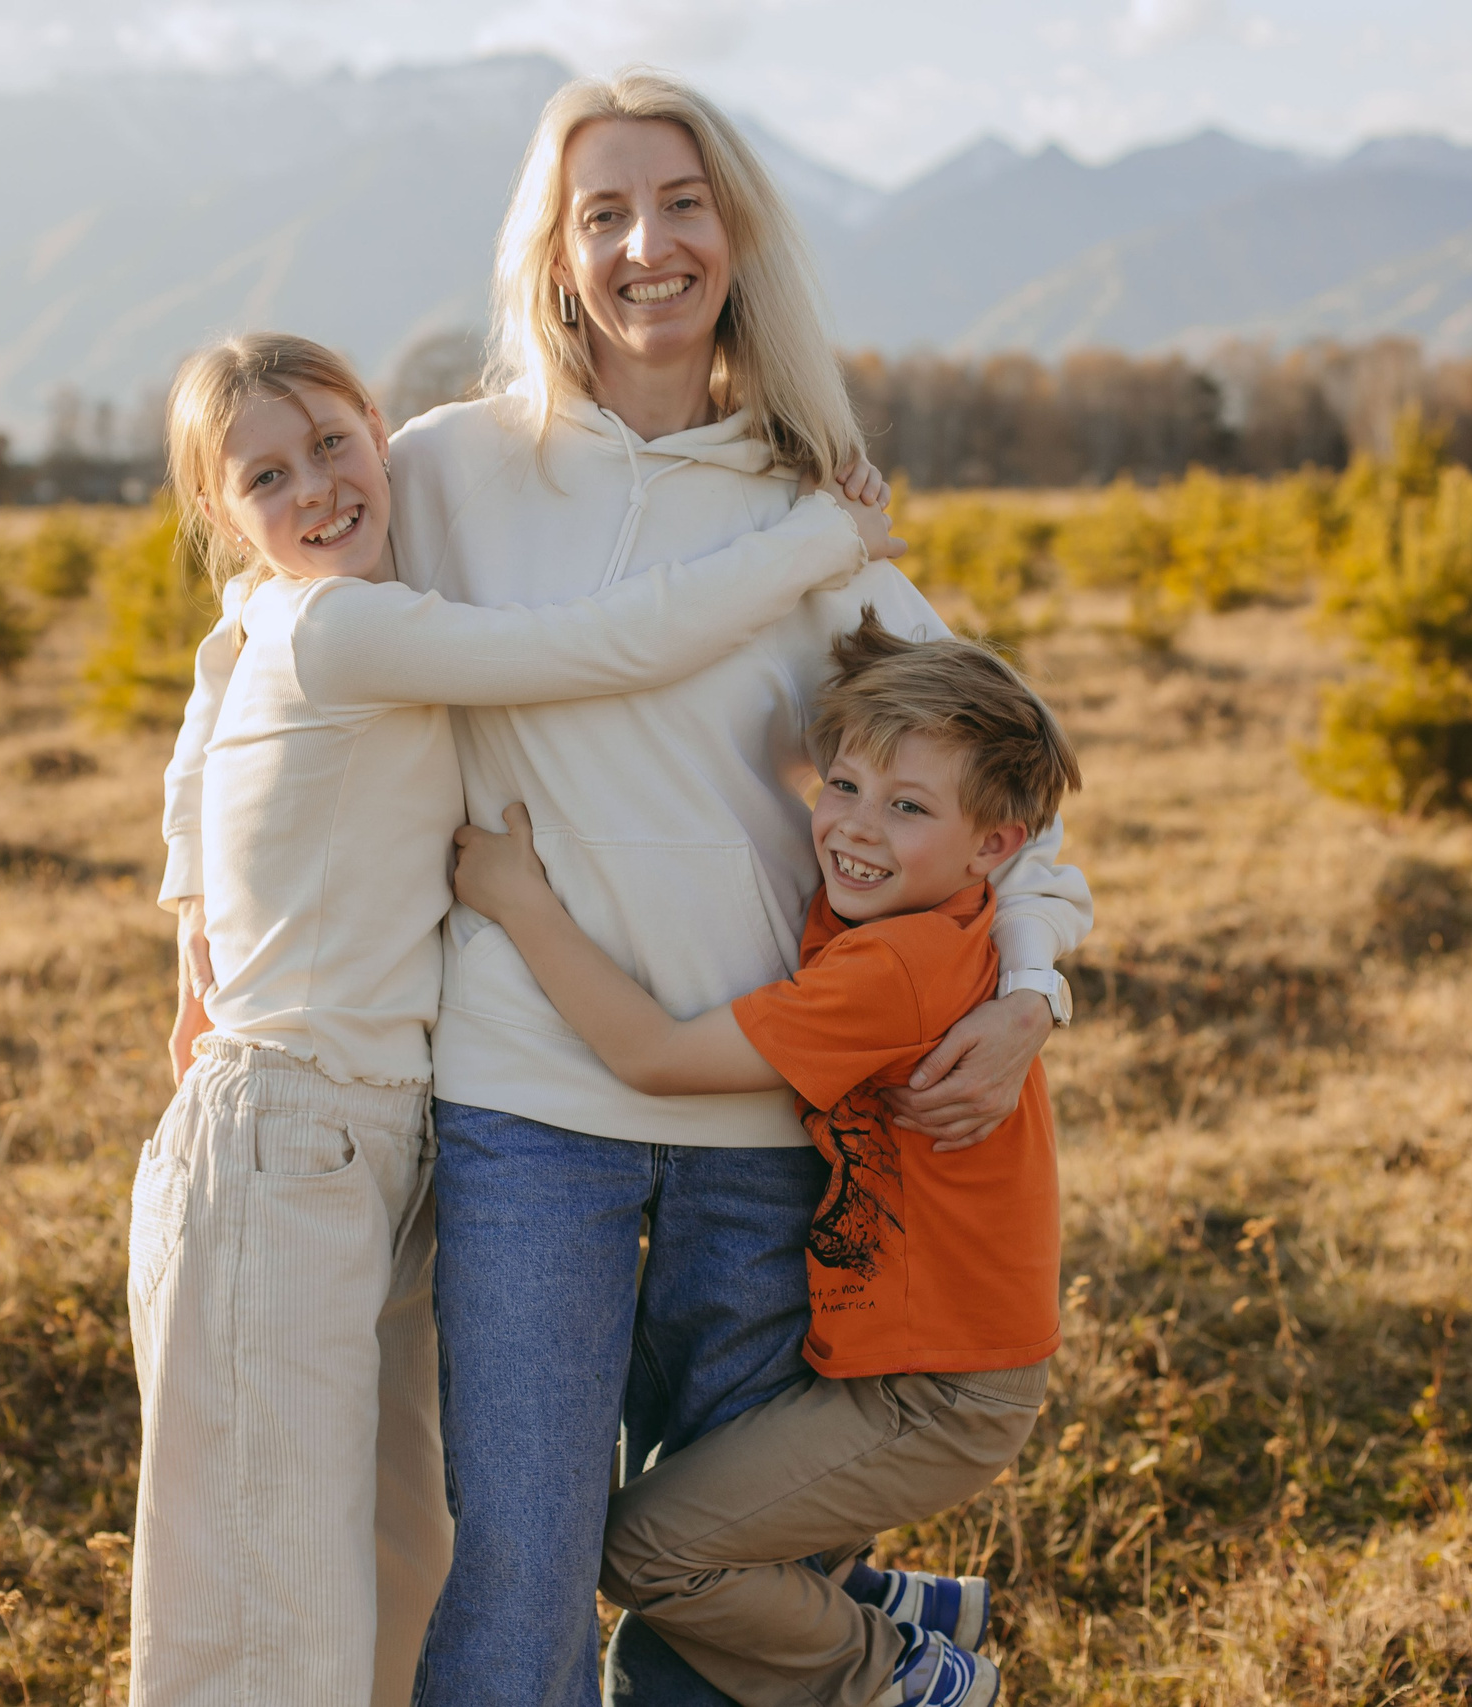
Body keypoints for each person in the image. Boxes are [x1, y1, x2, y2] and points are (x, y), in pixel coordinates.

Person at [159, 70, 1093, 1707]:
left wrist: (1031, 991)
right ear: (555, 250)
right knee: (515, 1567)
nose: (647, 244)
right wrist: (195, 916)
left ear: (736, 237)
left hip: (761, 1125)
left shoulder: (812, 520)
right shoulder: (443, 471)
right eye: (605, 213)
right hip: (525, 1110)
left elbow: (1008, 798)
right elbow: (250, 639)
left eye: (681, 204)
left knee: (706, 1598)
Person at [128, 330, 896, 1707]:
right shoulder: (340, 625)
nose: (315, 487)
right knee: (261, 1606)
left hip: (373, 1140)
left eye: (331, 444)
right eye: (266, 476)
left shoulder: (305, 610)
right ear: (220, 511)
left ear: (382, 432)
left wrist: (193, 903)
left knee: (387, 1572)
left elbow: (213, 659)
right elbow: (595, 645)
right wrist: (818, 539)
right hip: (287, 1133)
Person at [453, 610, 1078, 1707]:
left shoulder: (895, 968)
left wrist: (520, 900)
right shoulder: (922, 911)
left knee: (647, 1551)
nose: (856, 828)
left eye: (908, 807)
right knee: (694, 1524)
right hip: (914, 1363)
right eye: (842, 786)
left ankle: (899, 1672)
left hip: (937, 1391)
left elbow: (653, 1055)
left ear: (994, 847)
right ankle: (876, 1598)